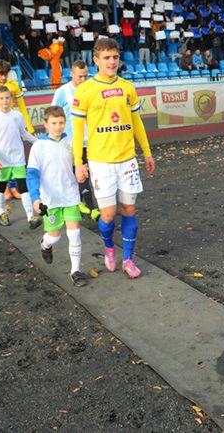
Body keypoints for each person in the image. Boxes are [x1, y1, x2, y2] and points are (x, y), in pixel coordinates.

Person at [71, 38, 155, 278]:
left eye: (115, 57)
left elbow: (137, 122)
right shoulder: (85, 90)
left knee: (129, 208)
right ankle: (109, 248)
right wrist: (79, 162)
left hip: (127, 159)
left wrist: (146, 152)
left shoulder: (128, 87)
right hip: (100, 162)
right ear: (96, 60)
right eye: (106, 58)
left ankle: (128, 259)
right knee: (107, 215)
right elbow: (78, 131)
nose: (111, 62)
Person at [27, 106, 86, 287]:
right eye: (53, 123)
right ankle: (45, 245)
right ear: (45, 124)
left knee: (74, 233)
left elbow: (79, 166)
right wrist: (36, 198)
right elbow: (32, 174)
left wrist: (83, 172)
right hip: (50, 199)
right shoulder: (39, 146)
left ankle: (75, 271)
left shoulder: (71, 142)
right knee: (54, 236)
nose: (58, 127)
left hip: (70, 195)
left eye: (61, 123)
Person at [0, 85, 40, 228]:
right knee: (1, 186)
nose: (5, 101)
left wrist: (39, 142)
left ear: (12, 99)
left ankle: (30, 216)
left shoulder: (17, 116)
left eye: (7, 98)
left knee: (23, 186)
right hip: (1, 161)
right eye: (1, 98)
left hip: (18, 158)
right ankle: (2, 212)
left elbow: (24, 133)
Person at [50, 60, 99, 220]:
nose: (83, 80)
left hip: (91, 140)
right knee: (79, 173)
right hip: (71, 142)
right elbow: (52, 114)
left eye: (85, 76)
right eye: (80, 77)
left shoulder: (91, 89)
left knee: (92, 173)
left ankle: (80, 203)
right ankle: (90, 207)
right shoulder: (63, 92)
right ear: (72, 74)